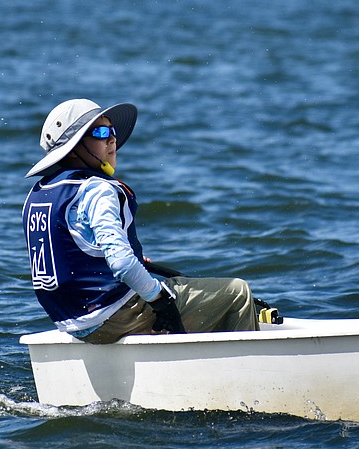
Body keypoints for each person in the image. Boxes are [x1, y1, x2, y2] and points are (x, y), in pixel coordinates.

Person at [22, 98, 260, 344]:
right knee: (237, 293)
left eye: (111, 131)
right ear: (74, 146)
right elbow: (122, 264)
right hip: (117, 316)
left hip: (73, 323)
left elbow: (72, 253)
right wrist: (159, 300)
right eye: (100, 132)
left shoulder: (37, 194)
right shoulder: (97, 190)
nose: (112, 139)